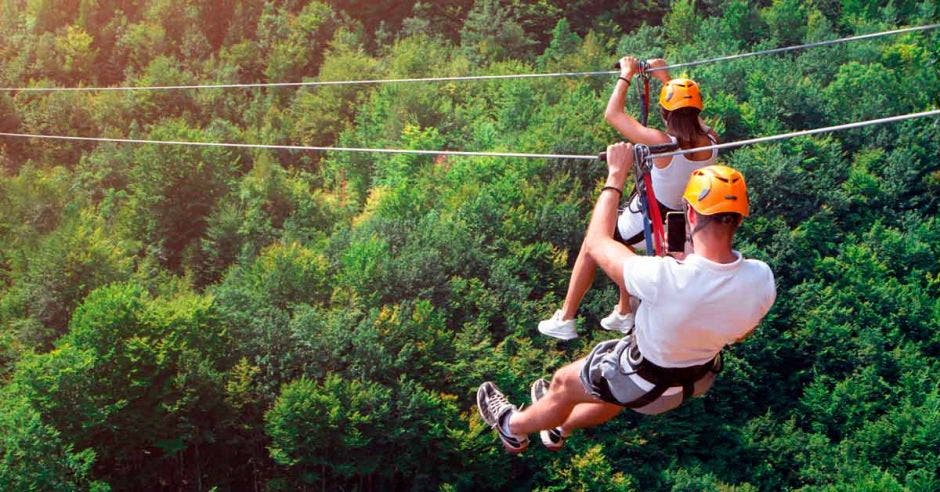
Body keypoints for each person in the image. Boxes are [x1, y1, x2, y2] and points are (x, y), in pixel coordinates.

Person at [478, 142, 776, 453]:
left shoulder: (664, 277)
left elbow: (596, 242)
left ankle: (511, 428)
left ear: (689, 212)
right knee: (610, 392)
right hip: (693, 381)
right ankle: (560, 427)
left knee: (563, 384)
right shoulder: (761, 279)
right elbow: (742, 332)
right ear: (740, 218)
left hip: (643, 380)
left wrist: (616, 175)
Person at [538, 56, 720, 340]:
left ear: (664, 113)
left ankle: (566, 317)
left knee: (594, 242)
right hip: (681, 222)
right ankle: (625, 311)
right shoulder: (712, 140)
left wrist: (626, 75)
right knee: (623, 242)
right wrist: (665, 78)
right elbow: (690, 115)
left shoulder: (662, 143)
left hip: (653, 217)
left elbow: (613, 114)